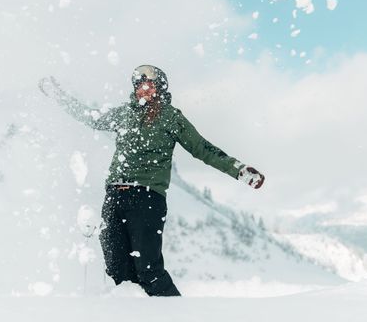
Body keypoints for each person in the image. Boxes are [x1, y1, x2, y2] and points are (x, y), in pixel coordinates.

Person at [38, 65, 265, 297]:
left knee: (149, 272)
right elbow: (90, 116)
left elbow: (202, 149)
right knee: (118, 272)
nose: (143, 90)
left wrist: (238, 170)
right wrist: (58, 96)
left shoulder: (171, 117)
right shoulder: (124, 113)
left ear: (160, 88)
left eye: (149, 85)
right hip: (115, 197)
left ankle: (178, 315)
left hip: (147, 198)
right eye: (139, 86)